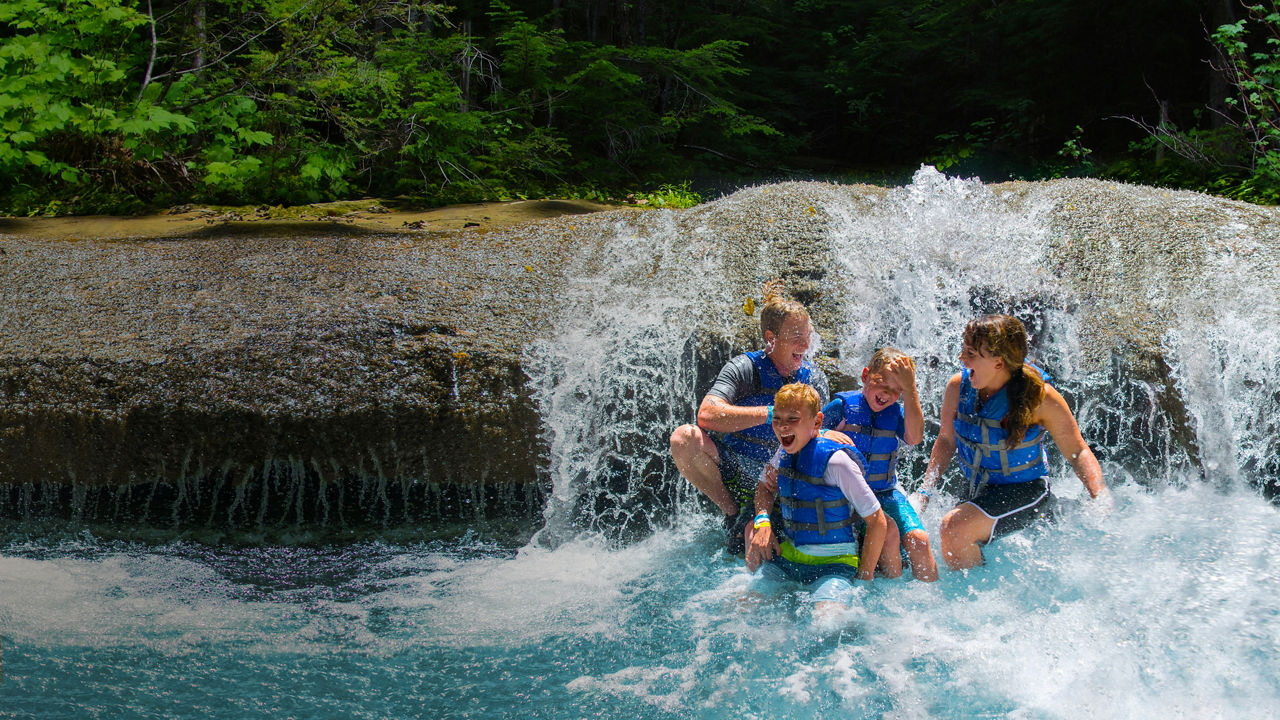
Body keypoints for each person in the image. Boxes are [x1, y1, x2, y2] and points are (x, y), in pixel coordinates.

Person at [913, 314, 1109, 570]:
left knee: (954, 529)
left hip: (1025, 490)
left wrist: (1100, 496)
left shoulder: (1040, 398)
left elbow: (1078, 451)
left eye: (971, 353)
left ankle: (974, 601)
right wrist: (924, 492)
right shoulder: (957, 386)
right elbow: (947, 440)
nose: (962, 358)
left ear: (998, 362)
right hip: (979, 487)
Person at [669, 292, 845, 554]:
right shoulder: (745, 368)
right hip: (737, 467)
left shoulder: (813, 378)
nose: (805, 344)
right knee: (683, 438)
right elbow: (707, 414)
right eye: (796, 336)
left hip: (781, 475)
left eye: (807, 335)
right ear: (771, 339)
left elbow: (821, 432)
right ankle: (731, 511)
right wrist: (773, 413)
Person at [745, 383, 890, 614]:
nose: (783, 426)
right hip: (788, 561)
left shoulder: (838, 462)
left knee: (826, 626)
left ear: (817, 422)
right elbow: (763, 489)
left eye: (793, 419)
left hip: (834, 566)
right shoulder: (783, 453)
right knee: (744, 611)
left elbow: (877, 521)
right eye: (777, 418)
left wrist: (864, 581)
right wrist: (763, 522)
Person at [822, 348, 938, 581]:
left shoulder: (895, 413)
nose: (887, 392)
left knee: (920, 541)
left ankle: (929, 605)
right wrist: (825, 432)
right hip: (849, 497)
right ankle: (888, 596)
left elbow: (914, 438)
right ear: (865, 376)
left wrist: (911, 388)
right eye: (882, 382)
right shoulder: (842, 406)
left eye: (897, 389)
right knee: (889, 531)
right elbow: (808, 430)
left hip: (885, 492)